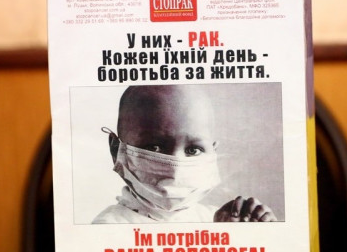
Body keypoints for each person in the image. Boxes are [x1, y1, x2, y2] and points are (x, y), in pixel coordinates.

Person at [92, 84, 277, 223]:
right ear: (116, 149)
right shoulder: (108, 228)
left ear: (213, 153)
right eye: (154, 147)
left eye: (193, 150)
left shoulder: (216, 218)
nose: (176, 168)